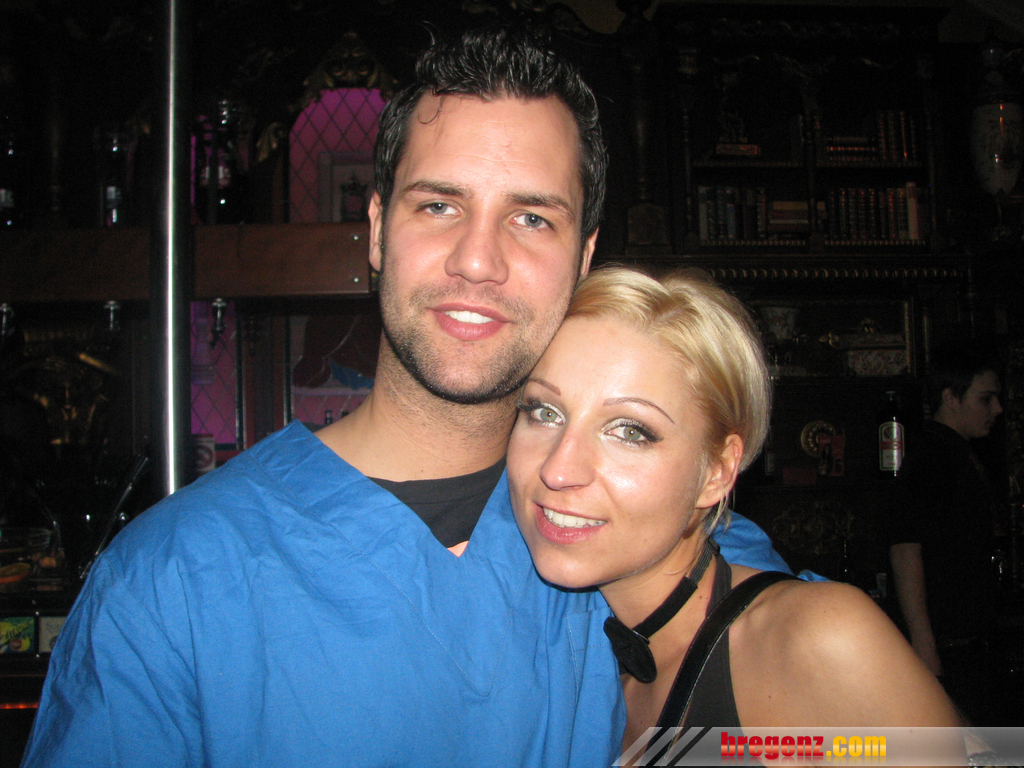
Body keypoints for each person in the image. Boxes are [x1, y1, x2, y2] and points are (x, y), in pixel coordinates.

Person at [23, 26, 796, 767]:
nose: (478, 260)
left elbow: (811, 735)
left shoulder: (640, 530)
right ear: (376, 230)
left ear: (584, 257)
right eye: (439, 206)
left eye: (531, 217)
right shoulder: (172, 583)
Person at [507, 266, 960, 760]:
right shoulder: (576, 664)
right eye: (544, 412)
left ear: (716, 472)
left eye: (630, 431)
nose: (558, 469)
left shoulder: (814, 639)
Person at [889, 342, 1005, 724]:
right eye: (985, 399)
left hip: (966, 640)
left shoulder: (956, 453)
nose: (997, 409)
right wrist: (925, 645)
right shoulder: (931, 458)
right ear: (951, 397)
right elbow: (905, 547)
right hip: (948, 646)